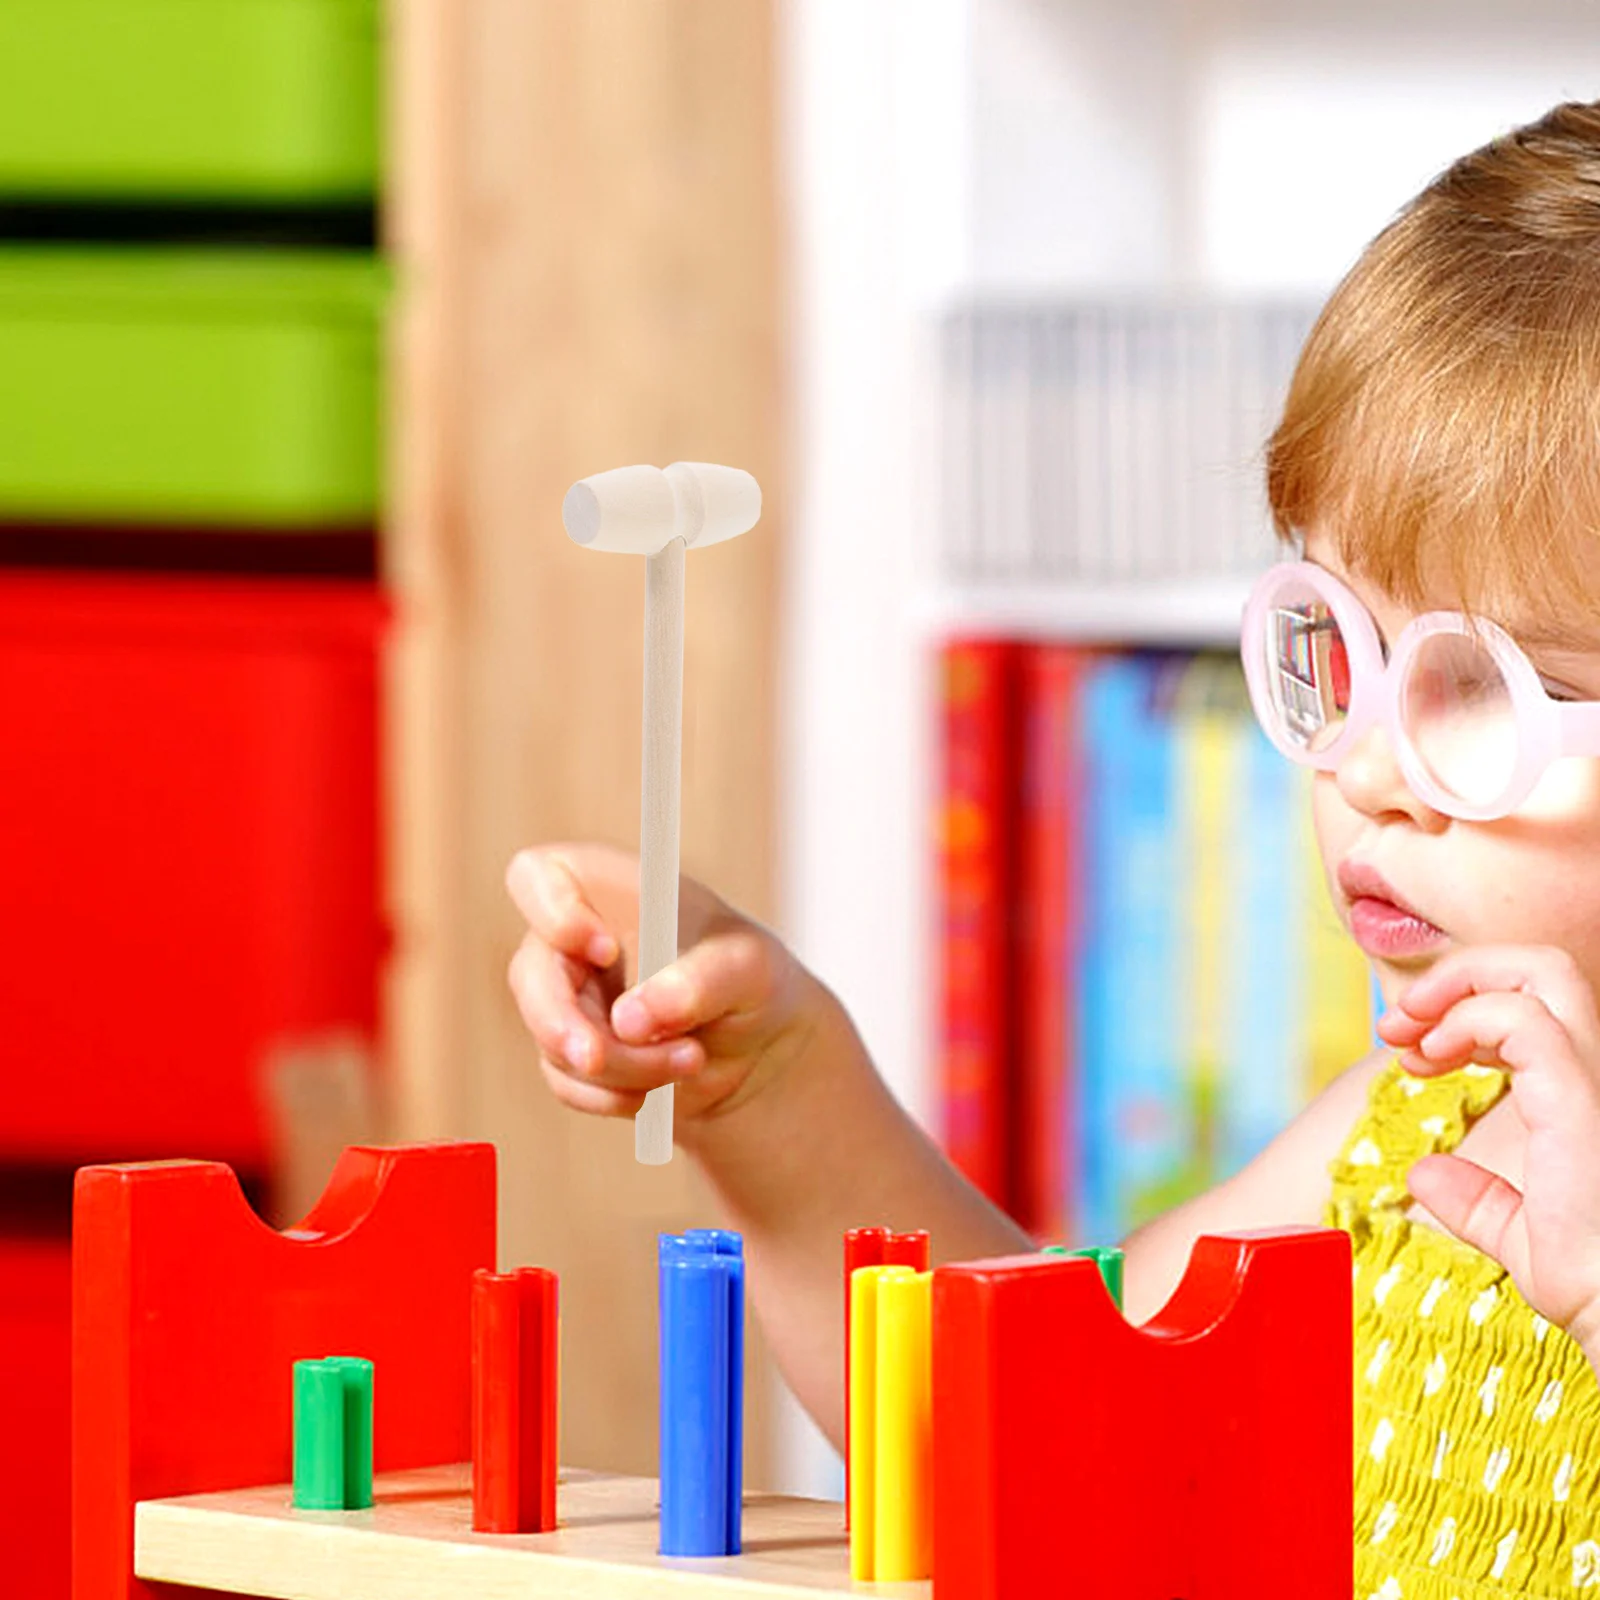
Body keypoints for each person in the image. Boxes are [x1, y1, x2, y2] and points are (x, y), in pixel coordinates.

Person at [507, 99, 1600, 1592]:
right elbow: (1017, 1429)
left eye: (1478, 686)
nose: (1366, 773)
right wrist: (774, 1092)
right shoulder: (1403, 1130)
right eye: (1336, 651)